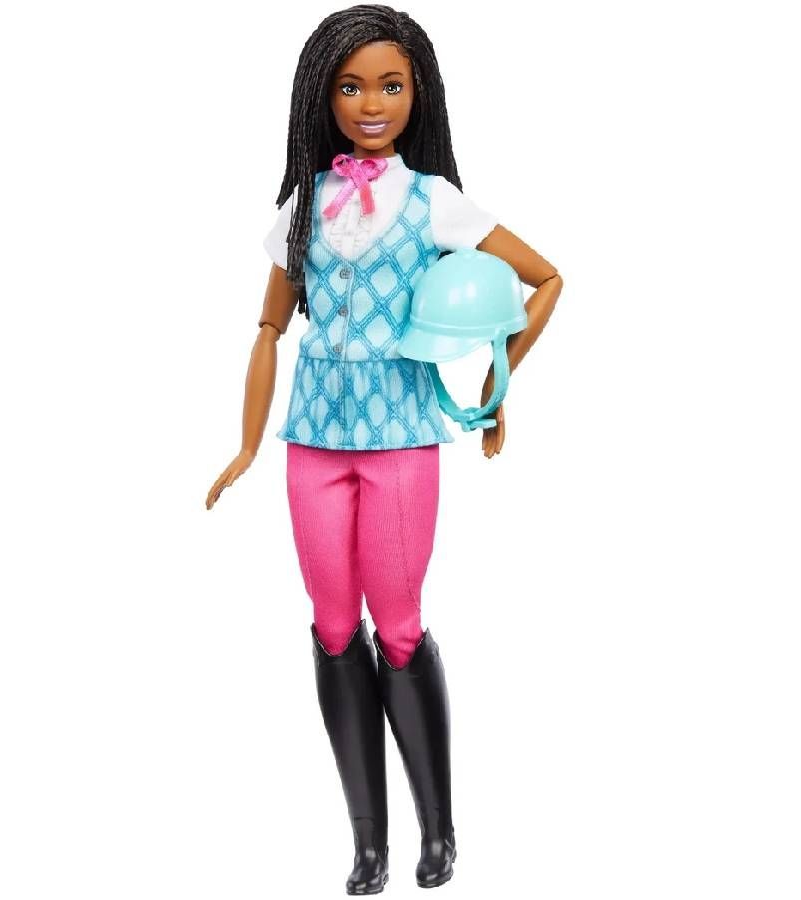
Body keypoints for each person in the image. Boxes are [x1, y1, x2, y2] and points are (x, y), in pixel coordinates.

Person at [206, 5, 563, 894]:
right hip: (312, 441)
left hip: (402, 435)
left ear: (418, 93)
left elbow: (545, 278)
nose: (371, 103)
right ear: (322, 98)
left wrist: (496, 389)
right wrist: (246, 444)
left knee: (397, 624)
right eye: (352, 86)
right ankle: (369, 841)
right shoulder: (304, 205)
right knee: (334, 627)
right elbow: (267, 327)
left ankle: (438, 830)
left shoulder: (434, 201)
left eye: (391, 85)